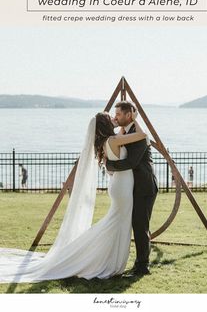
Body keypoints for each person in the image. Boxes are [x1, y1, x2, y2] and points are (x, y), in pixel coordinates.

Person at [0, 109, 146, 283]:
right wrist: (134, 118)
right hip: (122, 188)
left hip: (119, 186)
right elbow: (142, 135)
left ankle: (109, 259)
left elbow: (122, 138)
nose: (114, 118)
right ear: (106, 125)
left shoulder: (108, 140)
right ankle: (87, 254)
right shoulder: (113, 140)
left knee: (118, 223)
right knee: (115, 223)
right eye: (110, 118)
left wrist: (119, 123)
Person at [105, 101, 158, 276]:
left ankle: (142, 266)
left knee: (140, 225)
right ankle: (137, 263)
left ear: (129, 115)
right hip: (132, 187)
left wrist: (109, 165)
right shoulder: (125, 132)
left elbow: (131, 162)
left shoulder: (139, 136)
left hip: (144, 187)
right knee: (135, 224)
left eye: (119, 114)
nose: (116, 117)